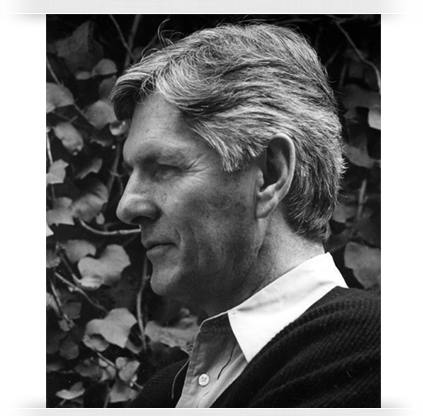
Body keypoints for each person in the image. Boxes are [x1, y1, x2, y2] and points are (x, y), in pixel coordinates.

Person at [110, 23, 380, 407]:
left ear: (271, 174)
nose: (127, 206)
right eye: (131, 173)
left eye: (164, 168)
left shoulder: (380, 358)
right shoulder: (163, 394)